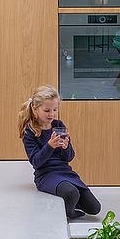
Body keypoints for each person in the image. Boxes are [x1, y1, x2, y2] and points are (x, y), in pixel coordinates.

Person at [18, 85, 101, 220]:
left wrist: (66, 147)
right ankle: (69, 212)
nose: (51, 114)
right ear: (35, 109)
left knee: (94, 208)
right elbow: (36, 162)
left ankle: (70, 200)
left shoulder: (58, 125)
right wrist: (49, 146)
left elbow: (69, 157)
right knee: (71, 193)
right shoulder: (30, 132)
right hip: (46, 175)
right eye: (47, 110)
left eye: (55, 110)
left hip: (65, 172)